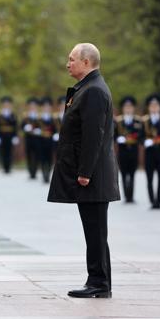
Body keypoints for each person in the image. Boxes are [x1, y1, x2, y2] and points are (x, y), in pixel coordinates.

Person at [48, 43, 120, 298]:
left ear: (86, 62)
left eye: (72, 59)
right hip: (92, 174)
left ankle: (98, 283)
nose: (68, 64)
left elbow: (94, 136)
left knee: (96, 231)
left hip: (94, 176)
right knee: (95, 231)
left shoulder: (93, 92)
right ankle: (99, 281)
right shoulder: (88, 88)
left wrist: (85, 172)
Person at [141, 94, 160, 209]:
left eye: (156, 105)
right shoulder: (144, 121)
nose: (154, 108)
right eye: (152, 106)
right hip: (149, 154)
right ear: (149, 107)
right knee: (149, 178)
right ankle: (152, 201)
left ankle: (159, 201)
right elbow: (140, 136)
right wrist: (145, 142)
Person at [114, 96, 143, 203]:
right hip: (123, 151)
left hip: (133, 150)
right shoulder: (118, 121)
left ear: (133, 108)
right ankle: (126, 196)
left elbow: (141, 136)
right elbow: (113, 135)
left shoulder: (138, 121)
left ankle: (131, 196)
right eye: (126, 107)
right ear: (123, 108)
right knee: (124, 173)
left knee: (132, 174)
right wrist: (118, 138)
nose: (128, 109)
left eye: (130, 107)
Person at [0, 96, 19, 173]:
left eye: (8, 104)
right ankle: (4, 167)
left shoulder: (13, 115)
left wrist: (15, 136)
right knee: (3, 152)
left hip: (10, 135)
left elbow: (15, 126)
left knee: (10, 151)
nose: (6, 106)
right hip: (2, 135)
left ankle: (9, 167)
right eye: (5, 104)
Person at [20, 97, 40, 179]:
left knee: (37, 155)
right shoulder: (25, 116)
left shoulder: (39, 116)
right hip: (28, 138)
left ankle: (35, 171)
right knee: (29, 155)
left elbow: (43, 126)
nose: (32, 108)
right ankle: (30, 172)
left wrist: (39, 130)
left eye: (34, 106)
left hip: (37, 139)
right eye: (31, 106)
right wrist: (25, 127)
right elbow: (21, 126)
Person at [38, 96, 57, 183]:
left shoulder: (53, 118)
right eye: (44, 106)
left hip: (50, 140)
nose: (46, 108)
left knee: (49, 158)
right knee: (42, 158)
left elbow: (56, 128)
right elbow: (34, 127)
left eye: (48, 106)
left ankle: (48, 175)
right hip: (41, 140)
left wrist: (55, 134)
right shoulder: (38, 118)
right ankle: (43, 174)